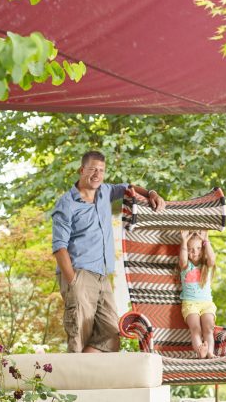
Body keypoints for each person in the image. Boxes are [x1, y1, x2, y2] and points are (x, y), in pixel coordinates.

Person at [51, 151, 165, 353]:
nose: (97, 174)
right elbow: (59, 247)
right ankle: (77, 383)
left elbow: (129, 188)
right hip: (80, 274)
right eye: (93, 169)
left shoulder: (105, 191)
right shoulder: (67, 204)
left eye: (101, 170)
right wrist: (73, 282)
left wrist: (152, 193)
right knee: (79, 337)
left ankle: (89, 380)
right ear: (81, 170)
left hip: (103, 276)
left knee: (111, 336)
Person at [178, 229, 217, 358]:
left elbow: (212, 258)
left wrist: (206, 241)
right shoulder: (186, 266)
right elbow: (183, 258)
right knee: (196, 329)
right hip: (190, 304)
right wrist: (184, 241)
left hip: (206, 304)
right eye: (191, 249)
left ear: (203, 249)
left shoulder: (206, 265)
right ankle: (201, 352)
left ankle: (210, 352)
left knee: (209, 328)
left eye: (199, 248)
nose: (195, 252)